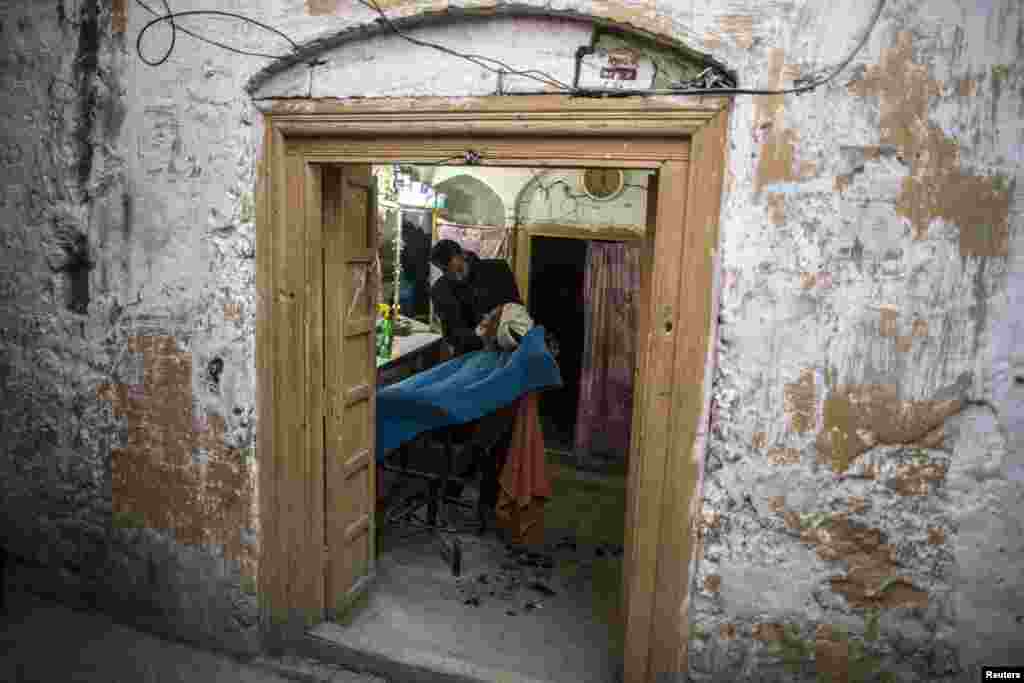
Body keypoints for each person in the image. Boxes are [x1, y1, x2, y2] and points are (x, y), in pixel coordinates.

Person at [429, 239, 522, 357]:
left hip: (508, 348)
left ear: (463, 254)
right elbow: (451, 335)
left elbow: (516, 308)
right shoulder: (440, 291)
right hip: (470, 355)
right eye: (449, 273)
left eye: (460, 269)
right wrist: (481, 337)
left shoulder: (497, 269)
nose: (458, 278)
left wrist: (498, 322)